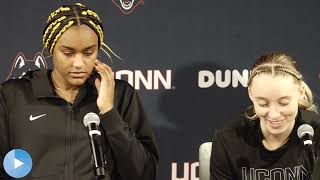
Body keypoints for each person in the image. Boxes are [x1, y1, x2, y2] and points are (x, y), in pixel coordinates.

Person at [0, 3, 159, 180]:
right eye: (68, 53)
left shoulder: (121, 95)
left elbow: (145, 173)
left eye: (88, 52)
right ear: (51, 48)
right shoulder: (13, 96)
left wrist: (109, 112)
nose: (79, 63)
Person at [210, 53, 320, 180]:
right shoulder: (228, 139)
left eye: (283, 103)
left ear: (300, 93)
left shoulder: (316, 133)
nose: (274, 114)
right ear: (251, 94)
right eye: (263, 104)